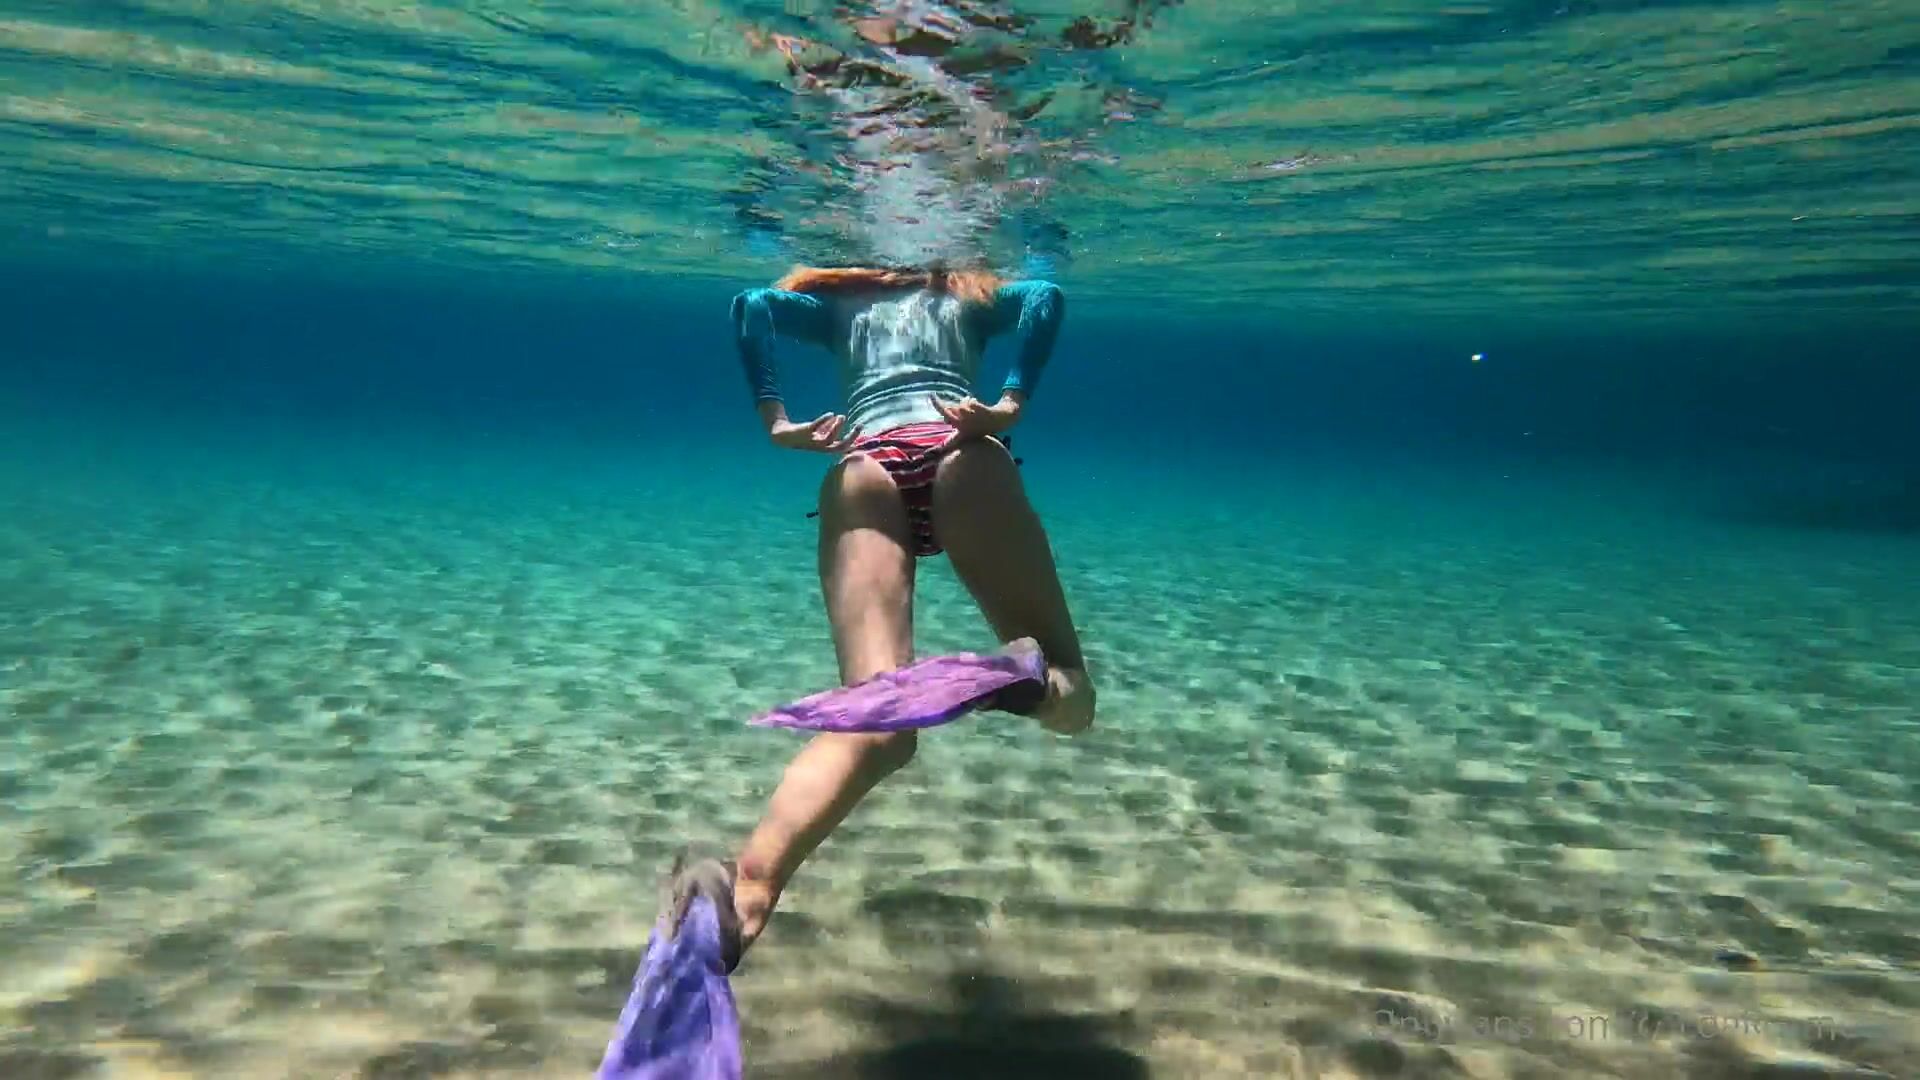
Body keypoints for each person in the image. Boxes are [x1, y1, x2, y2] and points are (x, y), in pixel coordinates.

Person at [722, 262, 1097, 962]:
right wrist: (1010, 404)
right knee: (1072, 693)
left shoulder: (840, 306)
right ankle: (1029, 685)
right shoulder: (966, 293)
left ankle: (749, 886)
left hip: (864, 464)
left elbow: (752, 306)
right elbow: (1045, 297)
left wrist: (776, 421)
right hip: (964, 451)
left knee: (878, 724)